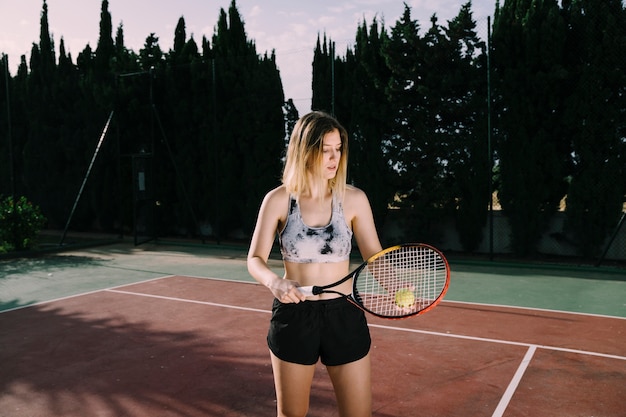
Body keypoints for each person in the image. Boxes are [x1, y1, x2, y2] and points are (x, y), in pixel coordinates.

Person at [247, 111, 383, 417]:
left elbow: (375, 255)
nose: (334, 158)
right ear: (304, 151)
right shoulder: (278, 200)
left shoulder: (354, 199)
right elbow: (254, 259)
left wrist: (397, 285)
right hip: (294, 317)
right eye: (325, 151)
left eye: (338, 149)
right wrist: (275, 282)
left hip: (344, 314)